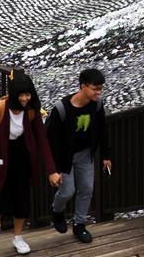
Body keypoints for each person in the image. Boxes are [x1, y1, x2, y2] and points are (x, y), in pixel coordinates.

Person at [0, 72, 61, 254]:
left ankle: (18, 237)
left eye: (28, 94)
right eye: (21, 95)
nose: (25, 98)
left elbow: (42, 140)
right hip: (2, 156)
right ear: (13, 94)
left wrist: (51, 170)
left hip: (23, 156)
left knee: (22, 198)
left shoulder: (32, 109)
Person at [46, 68, 112, 244]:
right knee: (67, 191)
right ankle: (57, 211)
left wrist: (106, 155)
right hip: (64, 157)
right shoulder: (61, 109)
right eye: (95, 88)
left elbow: (102, 130)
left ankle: (79, 224)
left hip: (85, 154)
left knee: (87, 189)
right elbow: (50, 141)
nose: (98, 92)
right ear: (83, 86)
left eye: (101, 89)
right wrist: (53, 169)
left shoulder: (96, 104)